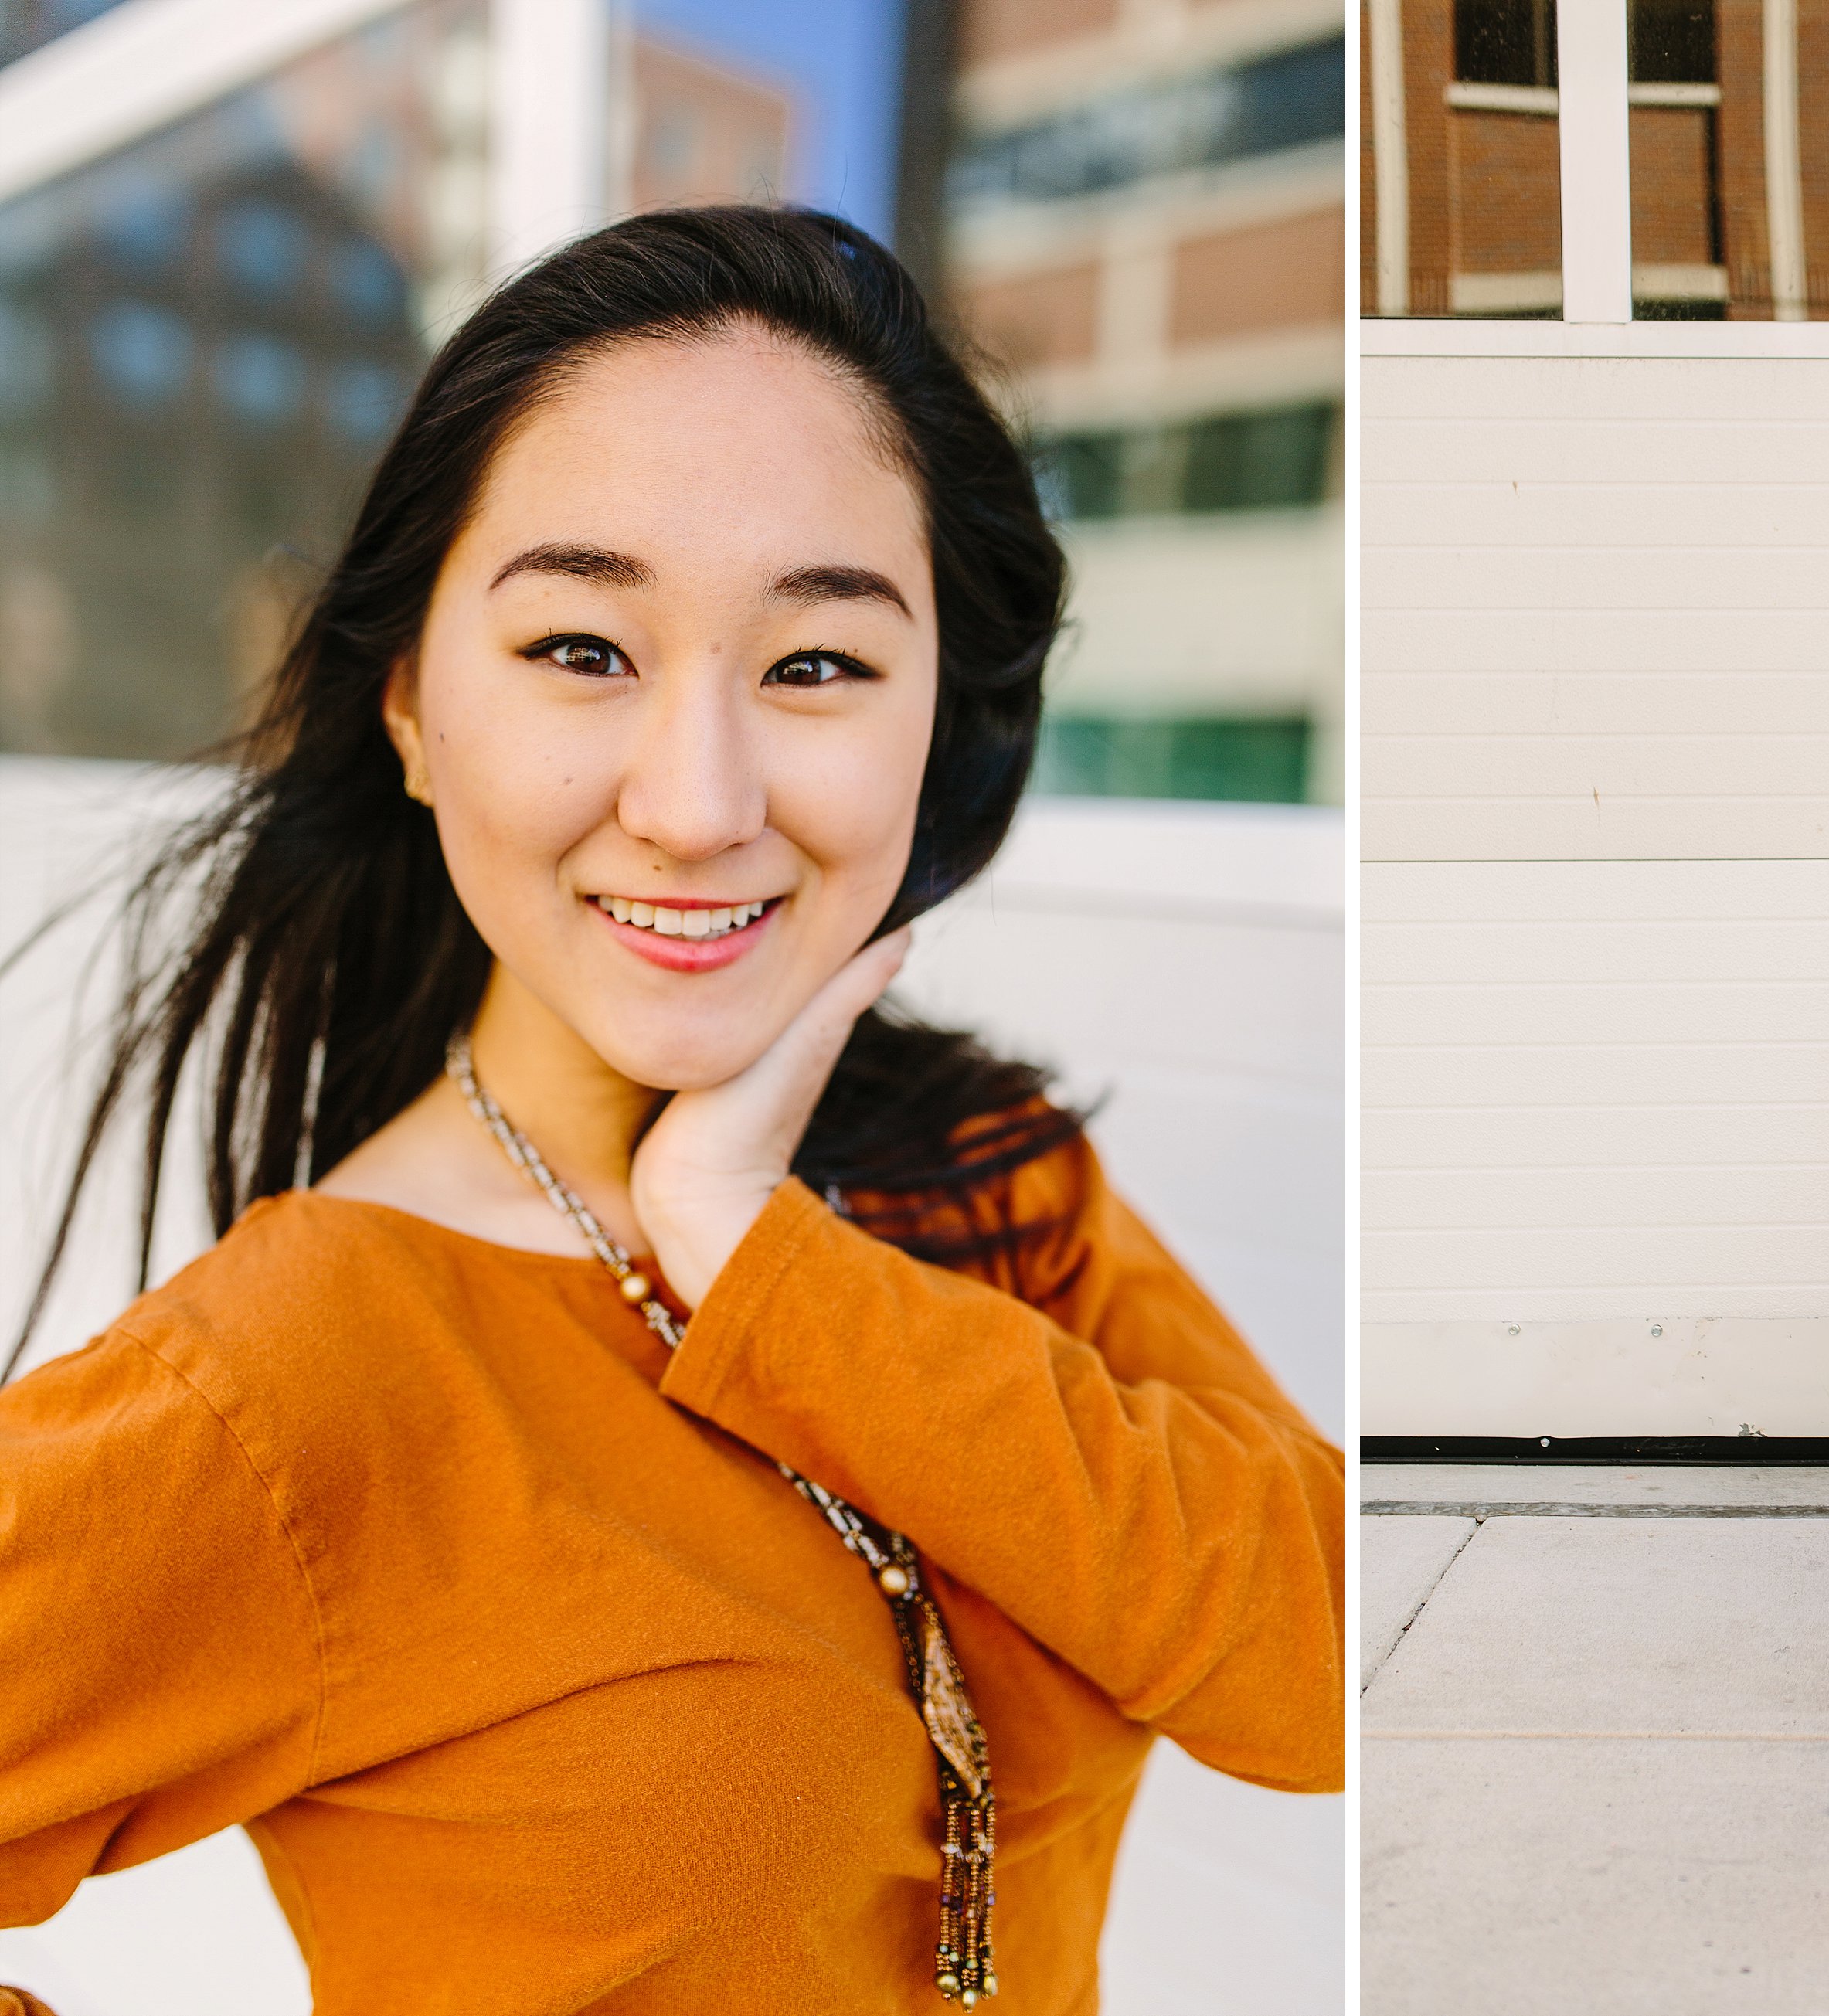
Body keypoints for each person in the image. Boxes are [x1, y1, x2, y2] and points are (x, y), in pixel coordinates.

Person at [0, 206, 1342, 2012]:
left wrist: (767, 1264)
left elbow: (1320, 1673)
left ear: (940, 718)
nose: (699, 802)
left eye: (815, 665)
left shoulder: (988, 1180)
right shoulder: (306, 1373)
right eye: (581, 649)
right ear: (408, 705)